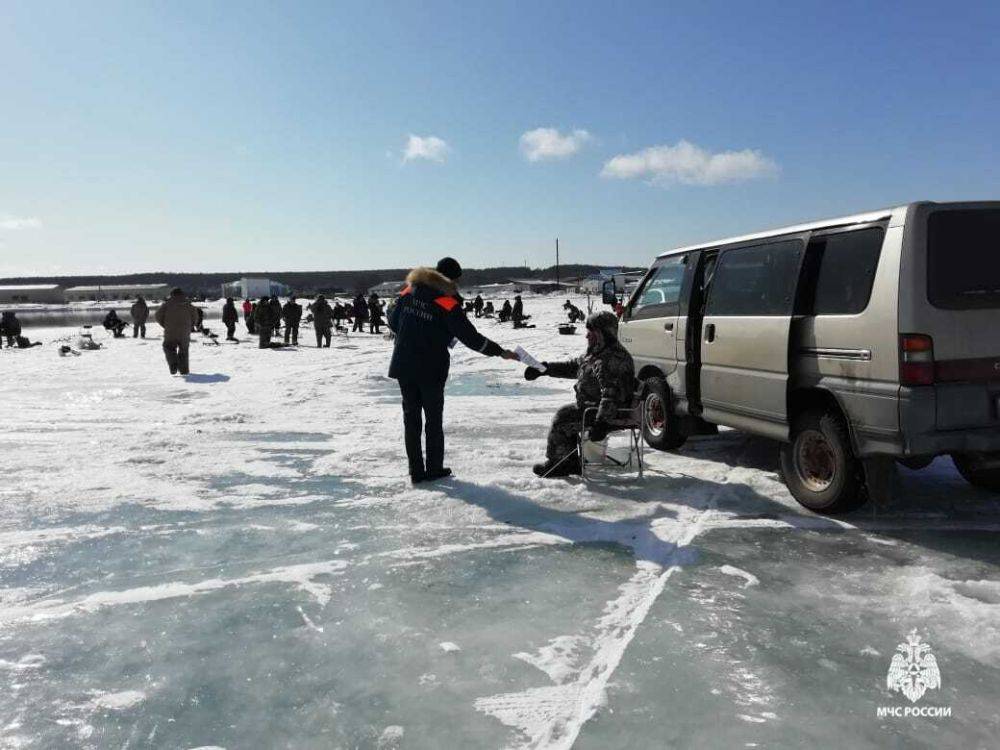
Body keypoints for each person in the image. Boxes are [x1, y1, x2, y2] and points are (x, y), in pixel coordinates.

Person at [388, 256, 517, 484]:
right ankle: (434, 468)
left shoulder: (410, 290)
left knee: (411, 419)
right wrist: (499, 351)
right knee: (433, 420)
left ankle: (416, 471)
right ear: (453, 278)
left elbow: (393, 321)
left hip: (404, 364)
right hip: (430, 368)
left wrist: (413, 333)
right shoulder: (446, 301)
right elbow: (469, 336)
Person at [524, 311, 636, 477]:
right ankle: (568, 462)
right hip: (592, 409)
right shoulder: (596, 353)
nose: (586, 336)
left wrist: (602, 422)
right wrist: (544, 369)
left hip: (606, 414)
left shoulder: (613, 359)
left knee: (562, 419)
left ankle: (562, 464)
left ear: (602, 334)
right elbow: (573, 366)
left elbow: (610, 394)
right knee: (567, 414)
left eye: (590, 332)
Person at [154, 288, 199, 375]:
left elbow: (158, 316)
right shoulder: (189, 305)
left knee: (168, 347)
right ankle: (184, 370)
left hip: (170, 331)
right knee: (184, 351)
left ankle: (173, 363)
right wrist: (190, 326)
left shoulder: (166, 305)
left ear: (172, 294)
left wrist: (165, 325)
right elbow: (195, 317)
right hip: (185, 331)